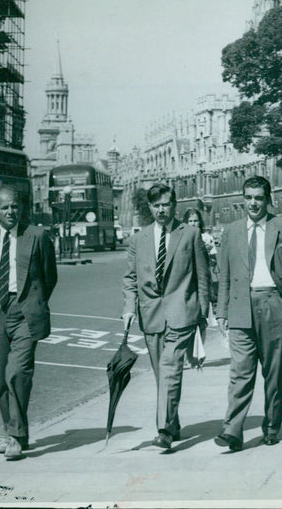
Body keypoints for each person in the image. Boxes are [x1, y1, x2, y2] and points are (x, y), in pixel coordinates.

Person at [214, 176, 282, 451]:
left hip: (272, 303)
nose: (253, 203)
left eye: (259, 198)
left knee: (273, 372)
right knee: (240, 371)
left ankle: (272, 426)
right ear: (244, 199)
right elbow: (224, 274)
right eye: (249, 197)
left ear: (268, 199)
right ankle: (232, 430)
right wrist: (221, 312)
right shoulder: (231, 231)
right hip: (241, 305)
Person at [122, 184, 210, 451]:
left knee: (170, 368)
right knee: (162, 375)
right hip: (151, 315)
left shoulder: (190, 234)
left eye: (166, 204)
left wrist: (202, 316)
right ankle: (173, 423)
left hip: (182, 312)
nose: (162, 210)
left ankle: (163, 431)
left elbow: (203, 277)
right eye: (156, 205)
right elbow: (130, 279)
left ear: (174, 205)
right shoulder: (138, 240)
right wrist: (128, 308)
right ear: (150, 208)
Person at [0, 187, 57, 461]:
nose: (11, 212)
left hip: (25, 313)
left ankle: (14, 436)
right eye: (5, 208)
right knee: (1, 379)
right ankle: (14, 432)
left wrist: (34, 304)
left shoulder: (37, 236)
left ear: (21, 208)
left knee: (17, 372)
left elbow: (50, 276)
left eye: (15, 206)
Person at [183, 207, 219, 321]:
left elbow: (214, 262)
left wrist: (207, 255)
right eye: (190, 221)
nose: (193, 224)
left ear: (200, 222)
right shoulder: (181, 238)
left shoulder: (207, 237)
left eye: (195, 221)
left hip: (203, 277)